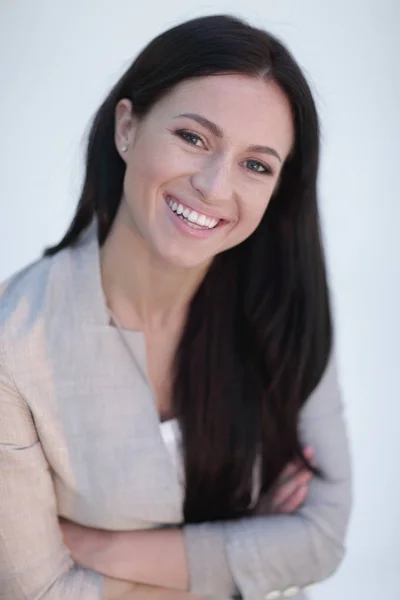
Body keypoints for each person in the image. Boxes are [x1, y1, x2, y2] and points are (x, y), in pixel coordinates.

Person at [0, 13, 352, 600]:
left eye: (255, 165)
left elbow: (322, 538)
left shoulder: (284, 308)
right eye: (194, 138)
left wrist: (98, 548)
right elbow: (37, 593)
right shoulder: (14, 342)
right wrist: (249, 550)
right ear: (127, 128)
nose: (215, 187)